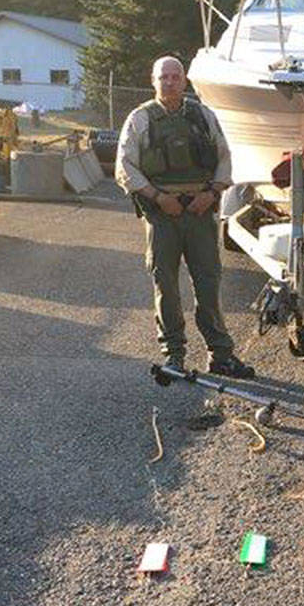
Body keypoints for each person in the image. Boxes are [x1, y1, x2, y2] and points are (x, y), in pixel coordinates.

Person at [115, 55, 254, 378]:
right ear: (153, 81)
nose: (170, 82)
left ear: (185, 80)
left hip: (200, 212)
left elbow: (224, 157)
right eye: (163, 77)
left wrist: (212, 193)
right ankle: (174, 355)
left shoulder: (203, 116)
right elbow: (125, 166)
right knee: (165, 284)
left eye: (175, 76)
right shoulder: (140, 119)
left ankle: (220, 354)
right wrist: (159, 198)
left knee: (209, 283)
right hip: (163, 215)